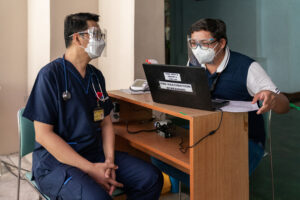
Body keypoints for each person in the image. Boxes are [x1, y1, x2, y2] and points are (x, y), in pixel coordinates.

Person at [23, 12, 163, 200]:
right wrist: (90, 169)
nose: (101, 40)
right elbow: (43, 135)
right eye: (95, 35)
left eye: (101, 35)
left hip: (94, 153)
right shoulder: (50, 75)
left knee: (151, 178)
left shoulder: (96, 77)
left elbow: (106, 123)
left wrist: (109, 162)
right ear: (77, 38)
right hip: (56, 163)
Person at [152, 18, 290, 184]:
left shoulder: (247, 67)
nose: (198, 49)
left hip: (244, 138)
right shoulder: (194, 63)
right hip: (204, 130)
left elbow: (285, 105)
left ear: (221, 42)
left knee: (220, 176)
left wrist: (273, 99)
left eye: (205, 43)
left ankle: (210, 184)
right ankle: (205, 184)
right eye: (193, 43)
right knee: (159, 155)